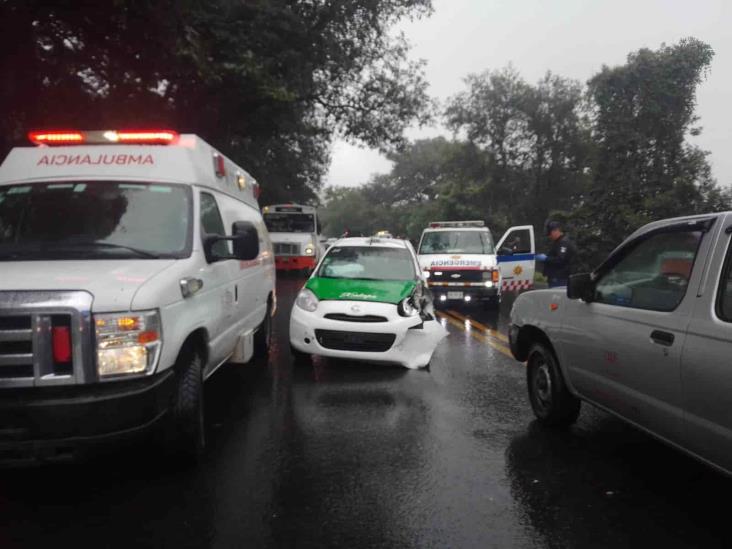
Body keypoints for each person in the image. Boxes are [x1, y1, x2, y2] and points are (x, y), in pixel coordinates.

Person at [536, 220, 576, 288]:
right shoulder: (557, 242)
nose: (549, 236)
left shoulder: (563, 242)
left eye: (550, 233)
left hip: (560, 278)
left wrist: (546, 258)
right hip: (555, 277)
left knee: (557, 296)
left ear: (556, 230)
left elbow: (560, 260)